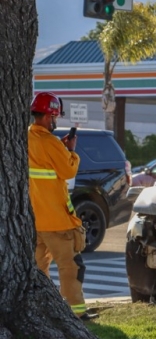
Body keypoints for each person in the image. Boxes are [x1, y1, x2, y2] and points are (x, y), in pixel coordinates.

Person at [28, 92, 97, 321]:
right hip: (58, 221)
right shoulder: (50, 142)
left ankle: (42, 311)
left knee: (38, 270)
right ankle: (75, 313)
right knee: (71, 267)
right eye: (55, 117)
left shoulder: (25, 137)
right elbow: (67, 171)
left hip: (33, 221)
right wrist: (70, 151)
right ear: (50, 117)